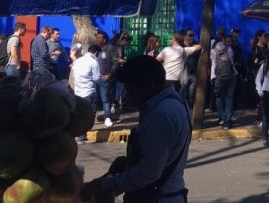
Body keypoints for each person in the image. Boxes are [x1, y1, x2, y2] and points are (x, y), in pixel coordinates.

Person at [82, 55, 192, 203]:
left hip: (158, 197)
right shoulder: (175, 102)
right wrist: (129, 163)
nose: (129, 96)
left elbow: (149, 172)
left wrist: (103, 185)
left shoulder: (161, 115)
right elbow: (161, 155)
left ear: (148, 85)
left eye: (130, 89)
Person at [71, 44, 102, 142]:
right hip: (88, 91)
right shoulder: (94, 62)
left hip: (78, 91)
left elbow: (74, 74)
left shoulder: (78, 61)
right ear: (96, 53)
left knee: (79, 113)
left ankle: (78, 133)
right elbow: (97, 78)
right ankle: (82, 135)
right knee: (88, 114)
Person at [211, 34, 238, 129]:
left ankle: (223, 118)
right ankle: (228, 120)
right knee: (229, 97)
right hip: (232, 75)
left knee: (218, 97)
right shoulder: (229, 49)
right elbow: (232, 61)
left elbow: (211, 65)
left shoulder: (212, 51)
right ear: (223, 39)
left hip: (217, 77)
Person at [95, 30, 119, 128]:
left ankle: (107, 117)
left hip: (105, 77)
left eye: (99, 38)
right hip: (95, 78)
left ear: (104, 39)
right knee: (96, 98)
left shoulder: (110, 48)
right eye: (97, 37)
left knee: (105, 98)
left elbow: (115, 62)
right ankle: (95, 117)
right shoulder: (95, 49)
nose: (97, 39)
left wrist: (110, 74)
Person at [181, 29, 201, 108]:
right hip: (183, 74)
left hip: (193, 74)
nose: (192, 37)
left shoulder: (196, 45)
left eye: (193, 35)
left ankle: (189, 110)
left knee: (191, 94)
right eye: (190, 35)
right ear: (184, 36)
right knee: (183, 93)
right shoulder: (181, 46)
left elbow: (201, 47)